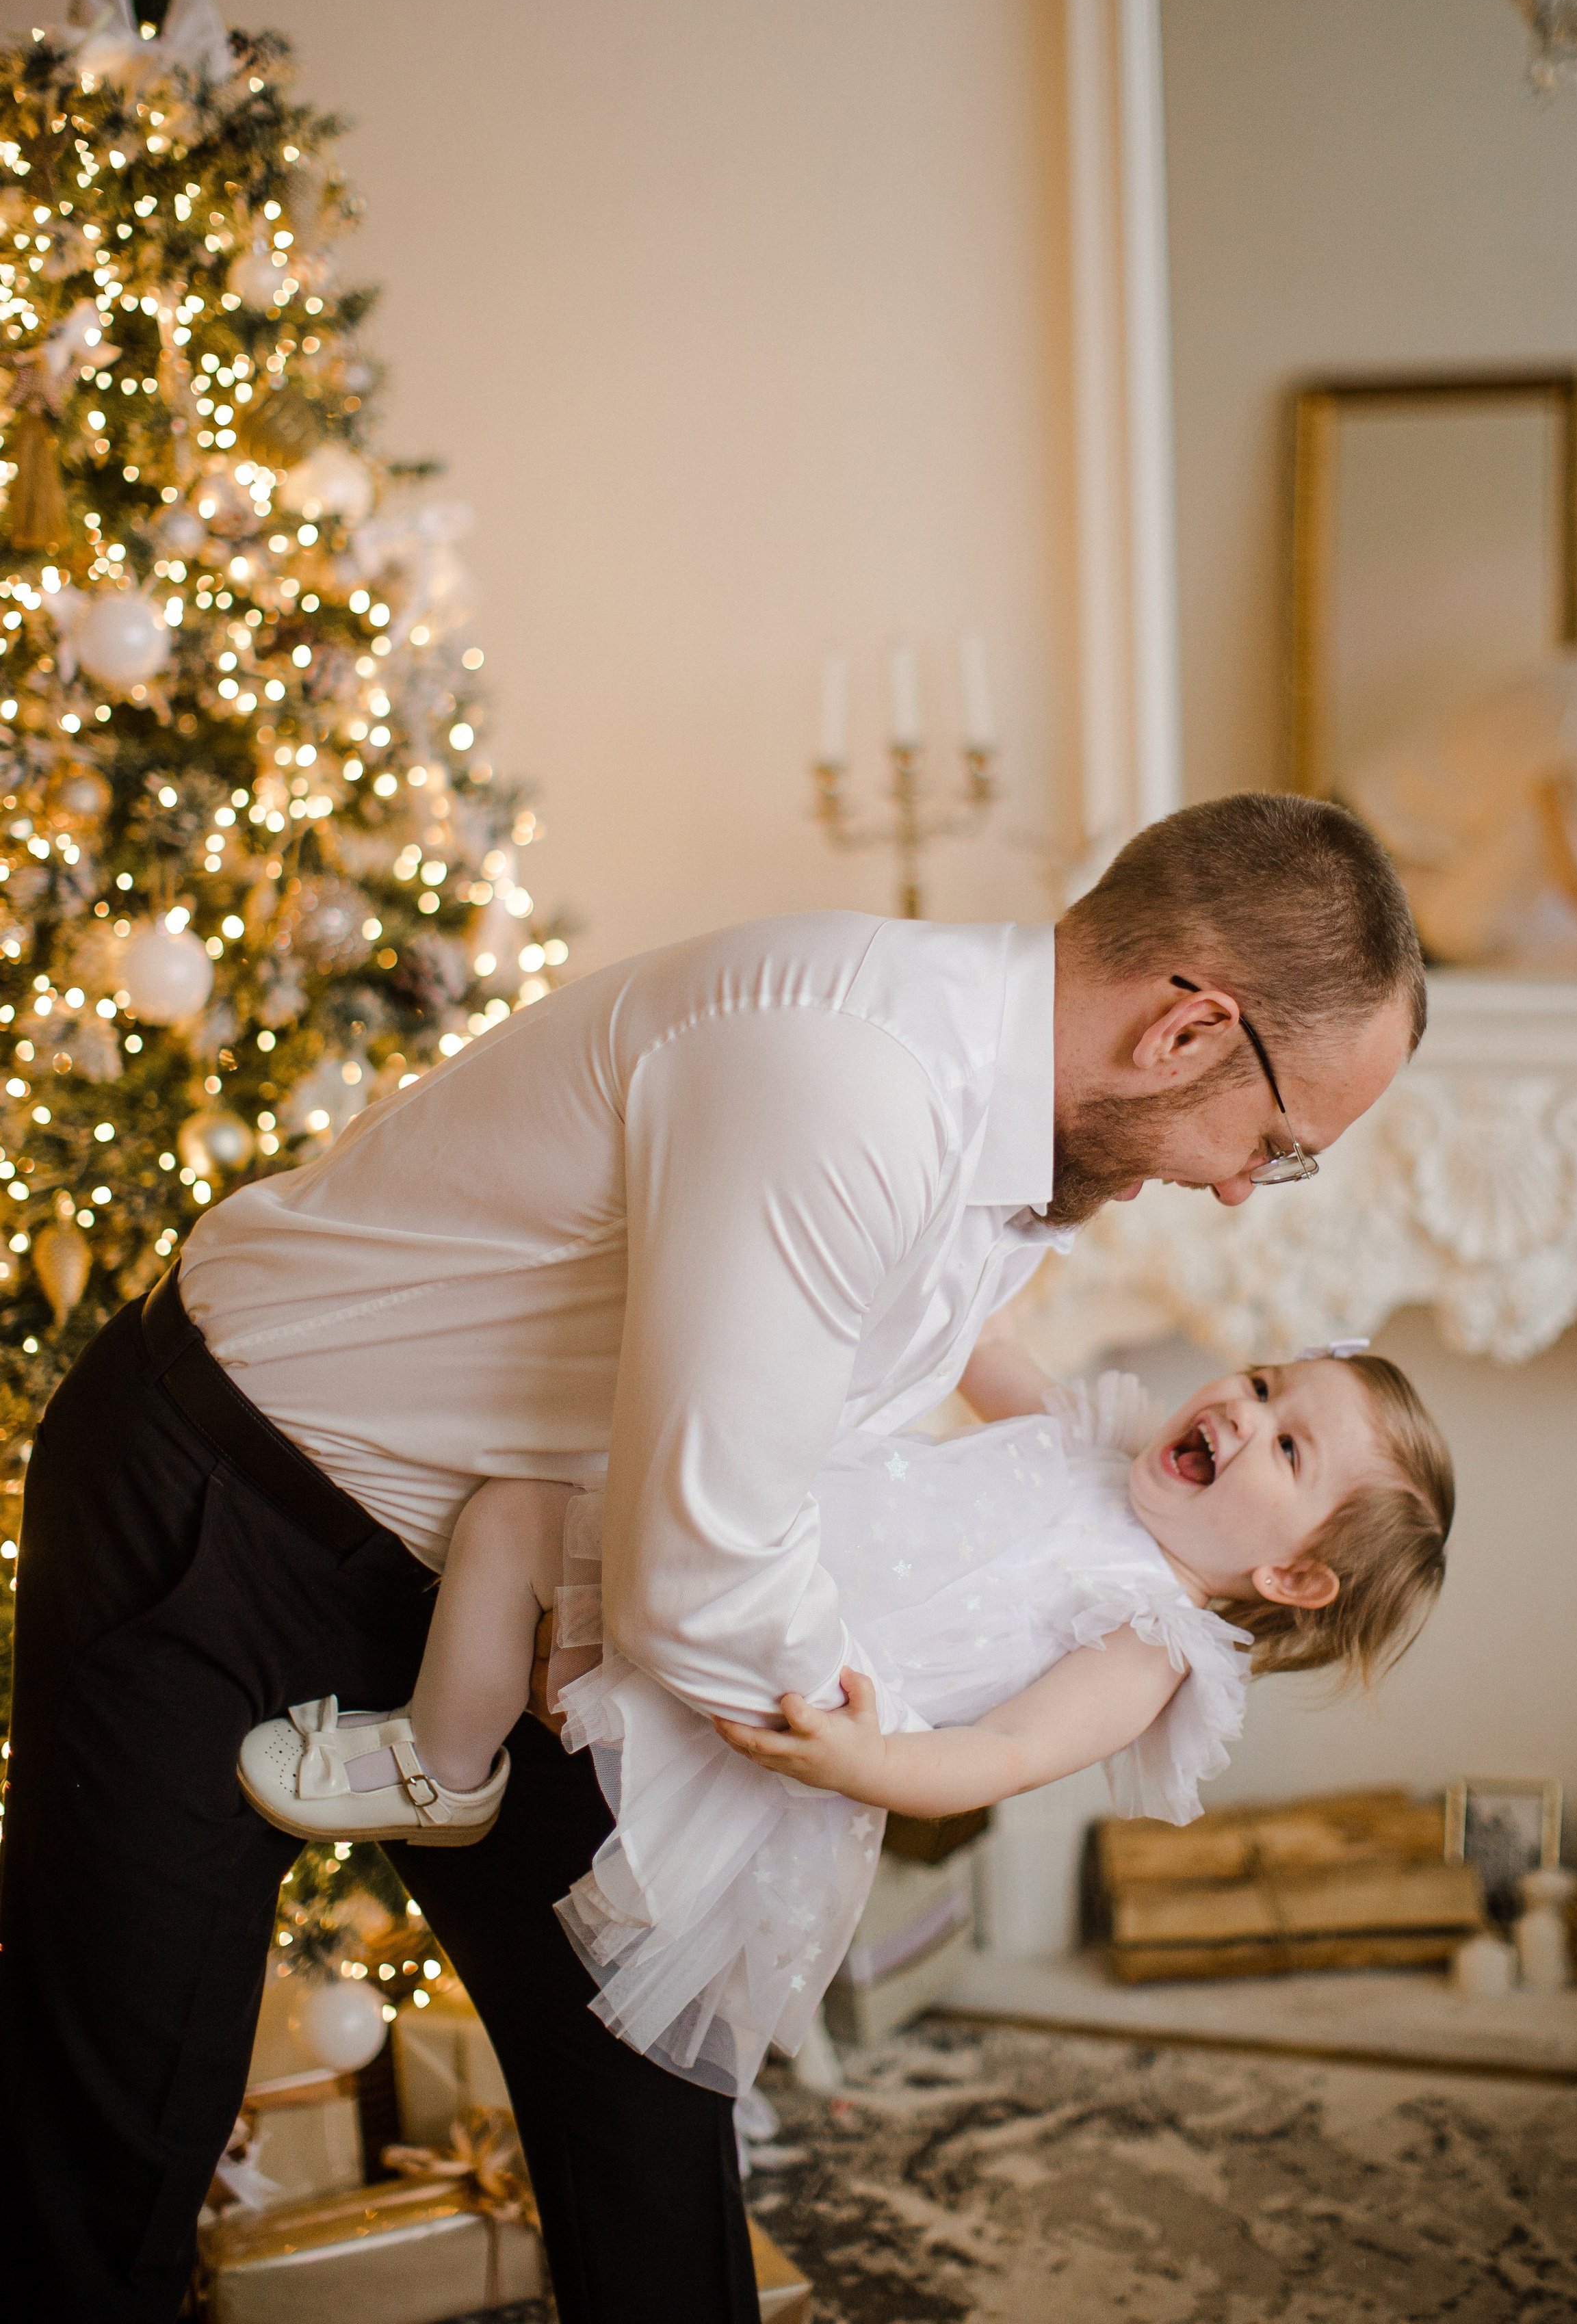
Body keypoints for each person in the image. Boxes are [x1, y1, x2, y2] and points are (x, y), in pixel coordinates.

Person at [1, 791, 1426, 2323]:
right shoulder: (851, 1081)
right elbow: (710, 1574)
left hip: (534, 1577)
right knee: (115, 2137)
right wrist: (883, 1740)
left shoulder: (1008, 1141)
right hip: (229, 1508)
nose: (1233, 1188)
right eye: (1271, 1148)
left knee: (645, 2127)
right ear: (1185, 1032)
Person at [237, 1337, 1452, 2096]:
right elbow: (974, 1333)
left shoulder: (1151, 1639)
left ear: (1294, 1578)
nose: (1242, 1411)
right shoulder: (1101, 1437)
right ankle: (460, 1741)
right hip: (751, 1553)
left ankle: (442, 1768)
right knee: (514, 1513)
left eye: (1287, 1446)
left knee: (540, 1572)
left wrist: (862, 1759)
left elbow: (1004, 1755)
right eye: (1261, 1381)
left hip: (797, 1703)